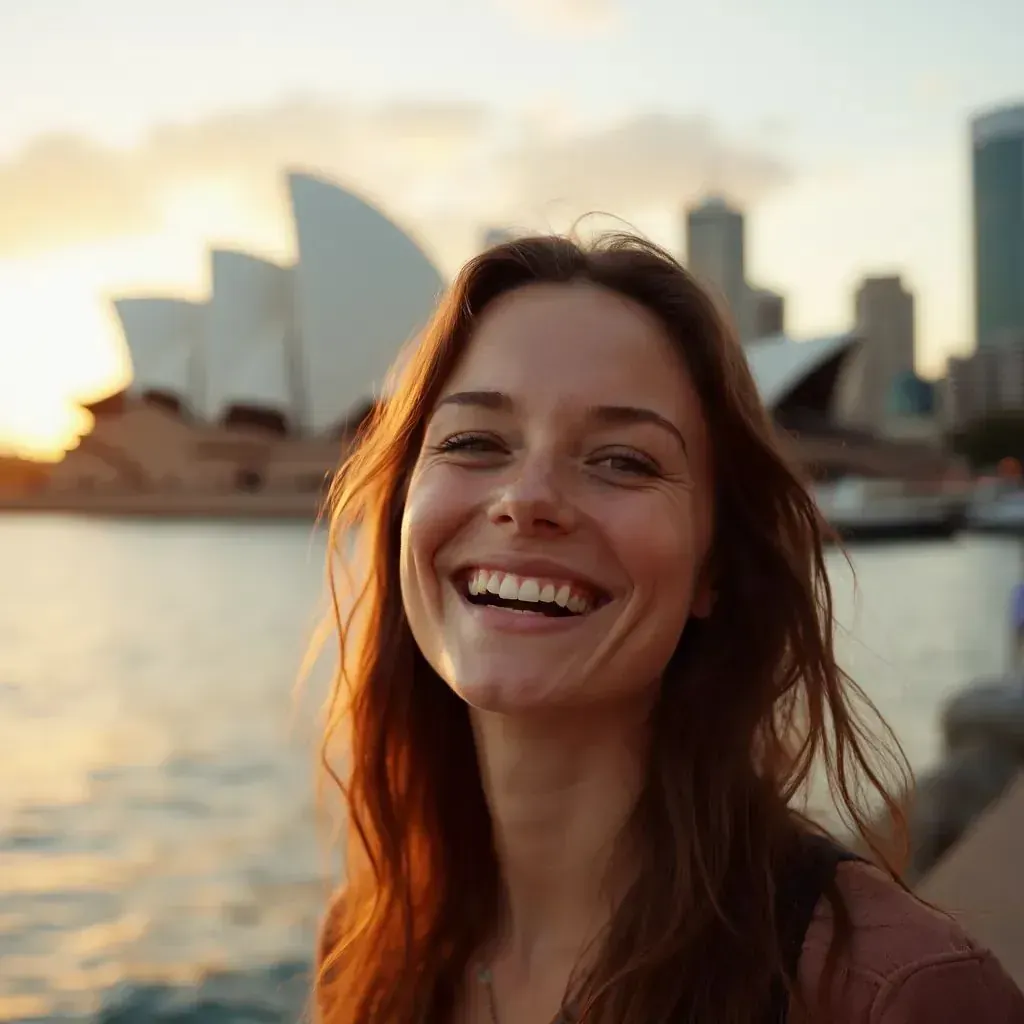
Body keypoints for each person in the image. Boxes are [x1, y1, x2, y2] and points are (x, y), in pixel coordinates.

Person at [314, 233, 1024, 1023]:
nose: (526, 497)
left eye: (624, 460)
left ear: (713, 569)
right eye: (474, 441)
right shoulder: (367, 939)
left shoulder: (896, 997)